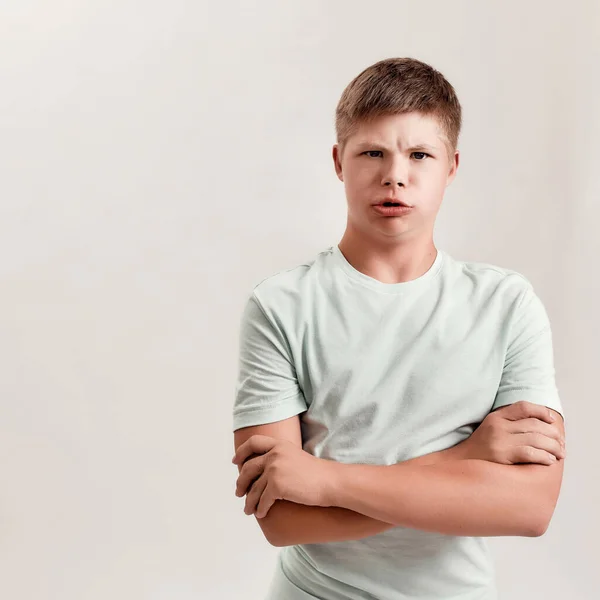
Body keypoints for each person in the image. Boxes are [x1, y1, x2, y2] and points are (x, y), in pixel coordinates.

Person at [231, 57, 566, 600]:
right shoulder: (281, 306)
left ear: (451, 167)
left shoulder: (507, 304)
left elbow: (529, 507)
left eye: (419, 155)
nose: (395, 175)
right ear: (339, 161)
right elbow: (283, 518)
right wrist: (466, 460)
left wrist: (326, 482)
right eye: (372, 152)